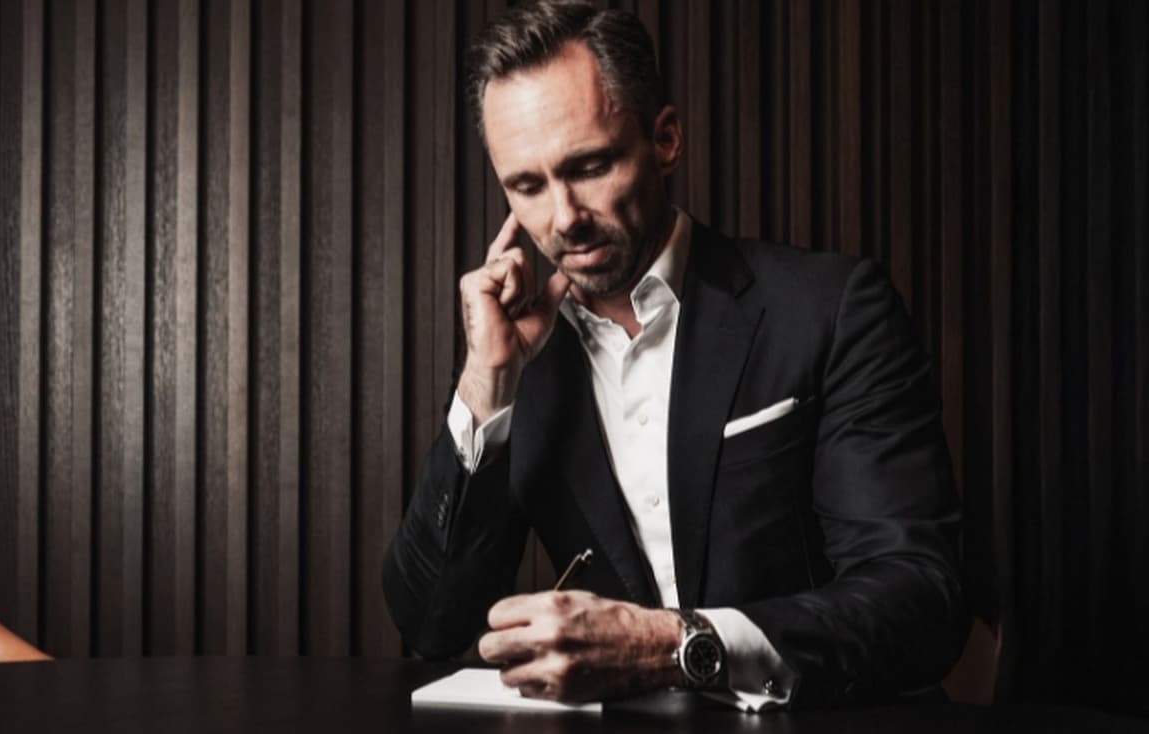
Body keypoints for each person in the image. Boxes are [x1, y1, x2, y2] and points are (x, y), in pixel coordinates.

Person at [381, 0, 965, 709]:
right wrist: (486, 384)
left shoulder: (831, 309)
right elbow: (431, 624)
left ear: (665, 139)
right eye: (527, 186)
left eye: (590, 166)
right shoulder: (519, 362)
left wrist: (671, 646)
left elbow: (920, 597)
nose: (563, 219)